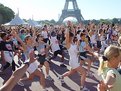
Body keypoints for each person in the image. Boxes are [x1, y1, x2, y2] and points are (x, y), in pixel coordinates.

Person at [59, 26, 90, 91]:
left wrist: (78, 52)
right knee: (84, 72)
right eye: (72, 37)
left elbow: (73, 32)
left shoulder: (73, 43)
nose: (73, 37)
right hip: (73, 62)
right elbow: (67, 36)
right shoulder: (68, 44)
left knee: (71, 72)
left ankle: (61, 77)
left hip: (74, 61)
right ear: (70, 37)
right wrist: (67, 27)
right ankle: (82, 88)